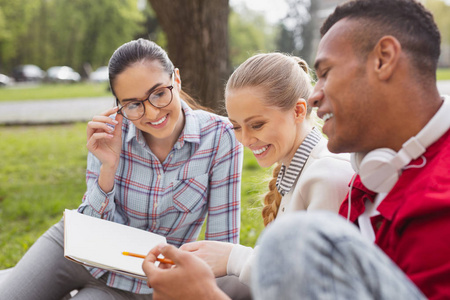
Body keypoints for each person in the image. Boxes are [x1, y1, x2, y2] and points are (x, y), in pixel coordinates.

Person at [142, 0, 450, 299]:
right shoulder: (373, 176)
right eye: (236, 126)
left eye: (326, 73)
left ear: (383, 58)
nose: (314, 95)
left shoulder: (436, 201)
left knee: (291, 241)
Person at [0, 38, 243, 299]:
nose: (151, 113)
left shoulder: (220, 137)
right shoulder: (110, 133)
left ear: (177, 80)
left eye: (159, 93)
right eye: (133, 104)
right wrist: (108, 166)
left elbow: (222, 246)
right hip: (74, 251)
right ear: (119, 103)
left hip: (140, 282)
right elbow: (91, 225)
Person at [177, 52, 353, 286]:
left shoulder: (327, 176)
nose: (246, 140)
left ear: (298, 111)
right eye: (237, 127)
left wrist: (234, 258)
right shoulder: (296, 167)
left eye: (257, 125)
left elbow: (314, 280)